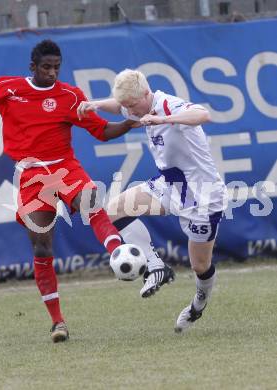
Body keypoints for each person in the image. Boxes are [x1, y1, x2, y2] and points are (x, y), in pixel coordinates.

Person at [0, 41, 153, 343]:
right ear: (33, 66)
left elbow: (103, 131)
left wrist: (132, 121)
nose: (52, 72)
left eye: (57, 67)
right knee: (41, 248)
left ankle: (118, 252)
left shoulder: (69, 96)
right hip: (31, 177)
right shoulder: (6, 89)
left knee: (91, 202)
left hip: (65, 168)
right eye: (46, 67)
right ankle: (58, 323)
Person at [77, 69, 228, 332]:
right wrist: (97, 104)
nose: (130, 112)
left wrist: (164, 119)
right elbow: (119, 106)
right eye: (127, 107)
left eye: (132, 106)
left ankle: (198, 305)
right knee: (111, 211)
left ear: (147, 94)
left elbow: (203, 114)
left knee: (199, 265)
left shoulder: (166, 104)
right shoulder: (136, 106)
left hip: (202, 196)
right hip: (170, 185)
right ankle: (156, 266)